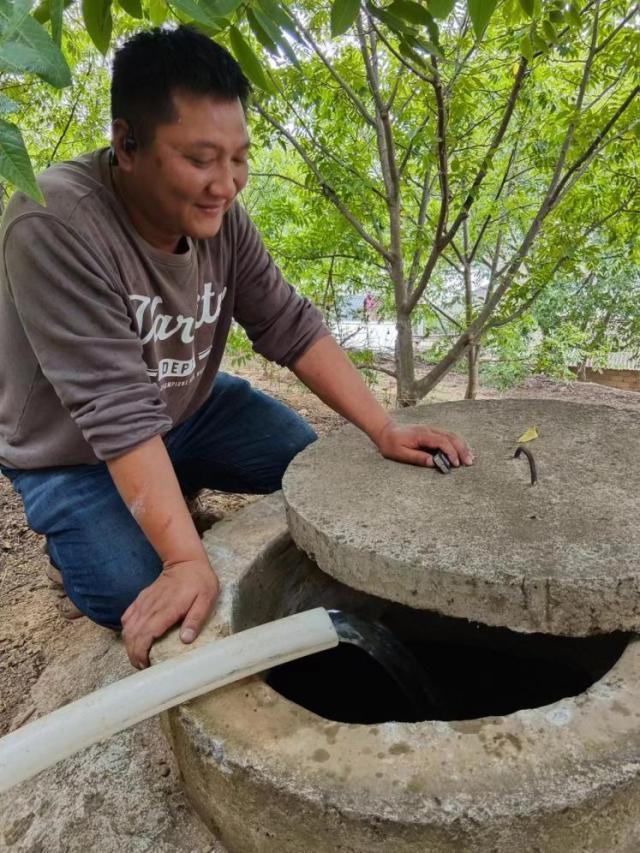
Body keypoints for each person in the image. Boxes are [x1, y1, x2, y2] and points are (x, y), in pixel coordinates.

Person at [0, 26, 472, 670]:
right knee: (134, 590)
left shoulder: (219, 217)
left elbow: (289, 324)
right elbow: (114, 407)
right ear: (127, 144)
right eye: (200, 159)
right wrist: (185, 559)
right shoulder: (52, 223)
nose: (226, 183)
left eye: (239, 158)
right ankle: (81, 545)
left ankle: (173, 483)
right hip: (72, 452)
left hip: (187, 409)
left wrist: (383, 429)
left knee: (312, 469)